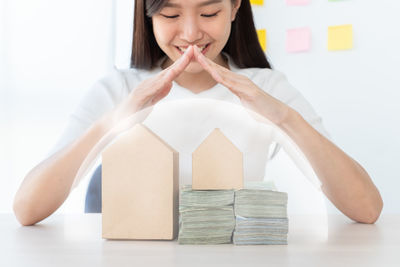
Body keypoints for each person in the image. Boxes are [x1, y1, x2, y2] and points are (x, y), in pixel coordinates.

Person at [13, 0, 383, 226]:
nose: (190, 33)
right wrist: (117, 119)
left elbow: (366, 209)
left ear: (236, 7)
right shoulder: (118, 89)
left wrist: (283, 118)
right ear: (148, 14)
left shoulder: (266, 87)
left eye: (209, 12)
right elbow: (27, 209)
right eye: (171, 13)